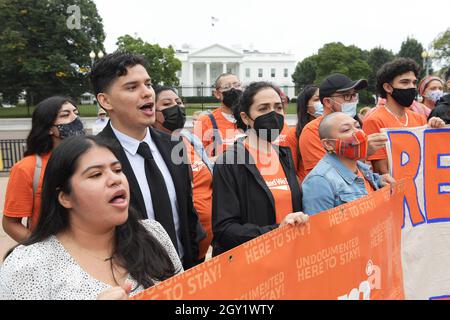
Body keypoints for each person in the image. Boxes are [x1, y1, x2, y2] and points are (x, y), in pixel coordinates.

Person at [0, 135, 182, 300]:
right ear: (65, 197)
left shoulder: (153, 233)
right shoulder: (27, 266)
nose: (115, 179)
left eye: (118, 170)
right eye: (96, 174)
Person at [91, 52, 200, 269]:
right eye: (132, 87)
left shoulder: (174, 145)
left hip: (183, 274)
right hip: (129, 280)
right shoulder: (93, 155)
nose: (147, 93)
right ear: (105, 101)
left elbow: (187, 213)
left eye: (148, 84)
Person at [212, 81, 309, 256]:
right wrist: (275, 231)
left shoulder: (284, 156)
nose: (273, 114)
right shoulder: (230, 162)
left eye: (278, 107)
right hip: (255, 264)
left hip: (290, 256)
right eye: (263, 109)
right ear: (245, 117)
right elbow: (225, 229)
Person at [2, 96, 85, 243]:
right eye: (65, 115)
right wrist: (42, 252)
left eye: (76, 112)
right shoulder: (26, 168)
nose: (75, 118)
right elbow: (10, 224)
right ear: (49, 129)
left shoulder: (91, 159)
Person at [153, 86, 213, 261]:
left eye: (178, 102)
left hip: (205, 245)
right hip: (176, 250)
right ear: (153, 112)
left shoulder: (190, 140)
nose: (176, 107)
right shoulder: (152, 148)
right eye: (167, 103)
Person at [363, 58, 446, 174]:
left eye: (414, 82)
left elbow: (430, 157)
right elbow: (382, 171)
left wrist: (436, 130)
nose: (411, 87)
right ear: (387, 87)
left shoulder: (419, 118)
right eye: (405, 82)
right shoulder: (375, 120)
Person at [302, 113, 395, 215]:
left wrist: (379, 181)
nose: (357, 132)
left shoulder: (361, 169)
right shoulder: (319, 181)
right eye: (346, 130)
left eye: (358, 126)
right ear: (328, 144)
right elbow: (319, 228)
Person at [298, 74, 387, 177]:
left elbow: (361, 170)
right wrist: (362, 151)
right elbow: (325, 176)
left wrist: (377, 180)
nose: (353, 101)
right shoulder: (312, 131)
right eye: (347, 96)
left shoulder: (355, 126)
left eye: (354, 95)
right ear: (327, 102)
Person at [193, 73, 243, 158]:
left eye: (236, 85)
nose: (233, 89)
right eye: (227, 87)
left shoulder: (252, 117)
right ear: (217, 94)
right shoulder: (204, 121)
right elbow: (195, 158)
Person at [285, 85, 321, 182]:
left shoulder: (332, 130)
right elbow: (290, 170)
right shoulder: (294, 134)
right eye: (317, 99)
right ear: (305, 106)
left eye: (324, 98)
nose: (322, 103)